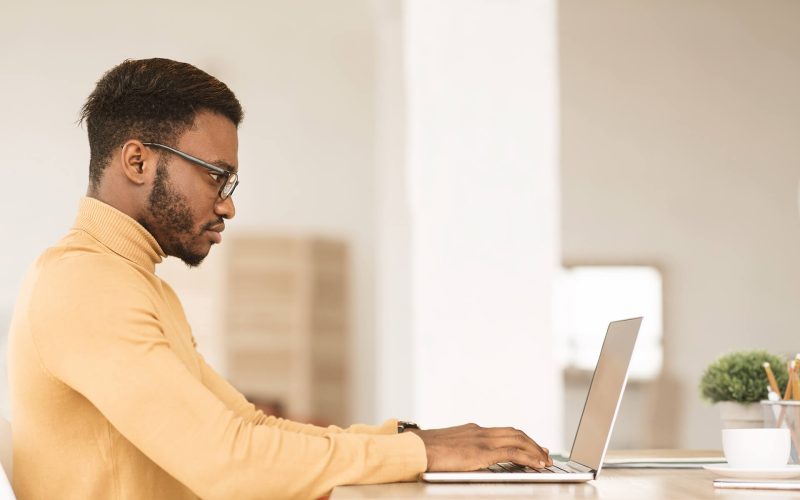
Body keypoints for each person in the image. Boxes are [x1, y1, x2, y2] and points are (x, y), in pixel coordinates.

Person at [7, 58, 551, 499]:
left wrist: (411, 441)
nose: (228, 206)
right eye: (216, 176)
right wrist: (422, 455)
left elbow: (248, 428)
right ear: (137, 161)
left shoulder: (134, 284)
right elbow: (227, 462)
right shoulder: (85, 285)